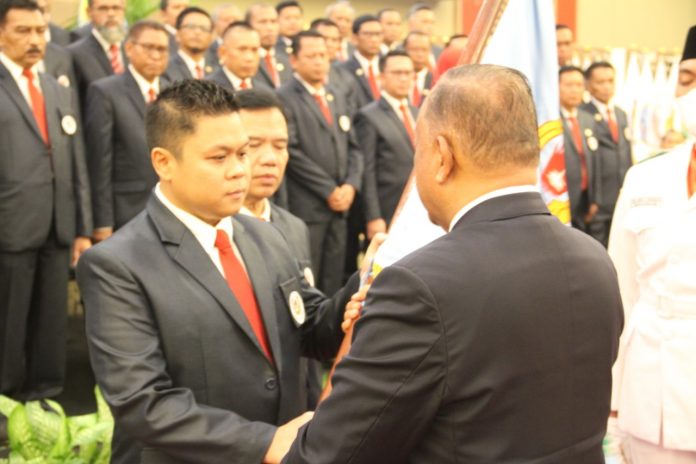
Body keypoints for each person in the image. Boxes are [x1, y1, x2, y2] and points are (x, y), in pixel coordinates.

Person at [281, 64, 624, 464]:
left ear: (442, 156)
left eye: (419, 153)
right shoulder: (594, 258)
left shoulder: (417, 286)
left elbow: (334, 452)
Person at [77, 79, 363, 464]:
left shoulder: (266, 236)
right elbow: (143, 403)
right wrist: (262, 442)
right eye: (218, 158)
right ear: (164, 162)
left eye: (242, 153)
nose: (238, 171)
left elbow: (309, 328)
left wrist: (362, 284)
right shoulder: (117, 265)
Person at [608, 24, 696, 464]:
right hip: (648, 390)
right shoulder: (646, 176)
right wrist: (613, 393)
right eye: (688, 79)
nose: (693, 92)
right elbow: (622, 292)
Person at [0, 0, 92, 401]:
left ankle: (46, 400)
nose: (35, 40)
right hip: (10, 228)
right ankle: (4, 406)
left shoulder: (55, 87)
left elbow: (76, 161)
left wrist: (82, 227)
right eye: (23, 31)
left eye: (40, 31)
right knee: (8, 325)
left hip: (58, 226)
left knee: (51, 327)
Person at [235, 88, 323, 407]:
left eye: (280, 146)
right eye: (254, 146)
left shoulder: (294, 228)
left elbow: (305, 325)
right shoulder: (211, 234)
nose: (270, 159)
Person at [278, 30, 363, 295]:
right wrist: (328, 190)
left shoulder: (335, 94)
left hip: (340, 207)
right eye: (311, 56)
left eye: (323, 55)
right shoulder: (284, 97)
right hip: (309, 206)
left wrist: (350, 186)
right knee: (308, 278)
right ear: (294, 60)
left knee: (334, 277)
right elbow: (291, 151)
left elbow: (354, 147)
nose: (319, 61)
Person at [84, 20, 170, 243]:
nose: (156, 55)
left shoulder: (175, 90)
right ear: (129, 48)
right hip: (126, 210)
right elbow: (99, 162)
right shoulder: (105, 91)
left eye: (162, 49)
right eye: (148, 47)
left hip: (171, 208)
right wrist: (102, 222)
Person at [355, 50, 417, 239]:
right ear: (381, 77)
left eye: (408, 73)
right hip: (387, 208)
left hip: (417, 208)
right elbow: (367, 170)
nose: (404, 78)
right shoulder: (369, 116)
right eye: (397, 73)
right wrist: (374, 216)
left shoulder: (419, 112)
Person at [580, 61, 632, 247]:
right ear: (588, 85)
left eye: (610, 81)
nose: (607, 86)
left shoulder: (620, 114)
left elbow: (626, 153)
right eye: (600, 82)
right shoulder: (582, 114)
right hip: (597, 202)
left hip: (620, 197)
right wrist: (590, 199)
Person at [558, 65, 600, 234]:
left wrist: (595, 199)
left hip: (585, 197)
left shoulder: (588, 119)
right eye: (569, 85)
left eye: (578, 85)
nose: (574, 90)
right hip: (561, 196)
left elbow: (595, 161)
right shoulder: (550, 121)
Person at [67, 0, 127, 111]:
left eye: (116, 8)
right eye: (103, 8)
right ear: (89, 12)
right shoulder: (75, 54)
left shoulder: (134, 49)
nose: (111, 14)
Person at [208, 21, 270, 91]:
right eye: (242, 49)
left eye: (254, 50)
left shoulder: (265, 91)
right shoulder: (208, 90)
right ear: (223, 52)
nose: (249, 58)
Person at [340, 14, 382, 109]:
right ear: (354, 38)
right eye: (368, 34)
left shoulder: (388, 66)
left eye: (378, 34)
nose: (374, 39)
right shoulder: (343, 70)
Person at [164, 6, 217, 82]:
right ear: (177, 34)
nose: (197, 32)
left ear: (211, 36)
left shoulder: (218, 68)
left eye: (204, 28)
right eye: (191, 27)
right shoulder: (165, 69)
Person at [246, 3, 291, 88]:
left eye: (274, 22)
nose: (270, 28)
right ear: (248, 26)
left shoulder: (286, 60)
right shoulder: (244, 61)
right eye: (263, 22)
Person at [405, 3, 442, 68]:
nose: (429, 27)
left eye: (432, 23)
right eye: (425, 22)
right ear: (411, 23)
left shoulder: (439, 51)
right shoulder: (398, 50)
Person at [403, 30, 433, 107]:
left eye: (424, 49)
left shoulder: (436, 81)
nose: (420, 54)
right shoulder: (396, 79)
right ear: (405, 50)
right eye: (415, 49)